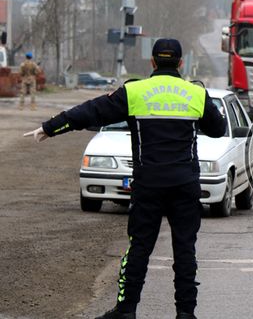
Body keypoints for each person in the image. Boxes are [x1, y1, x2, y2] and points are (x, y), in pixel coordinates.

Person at [23, 39, 226, 319]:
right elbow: (218, 129)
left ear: (152, 62)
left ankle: (126, 310)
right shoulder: (195, 94)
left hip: (148, 185)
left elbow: (90, 111)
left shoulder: (134, 91)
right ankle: (185, 314)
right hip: (184, 184)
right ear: (180, 63)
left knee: (139, 247)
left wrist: (50, 127)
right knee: (185, 250)